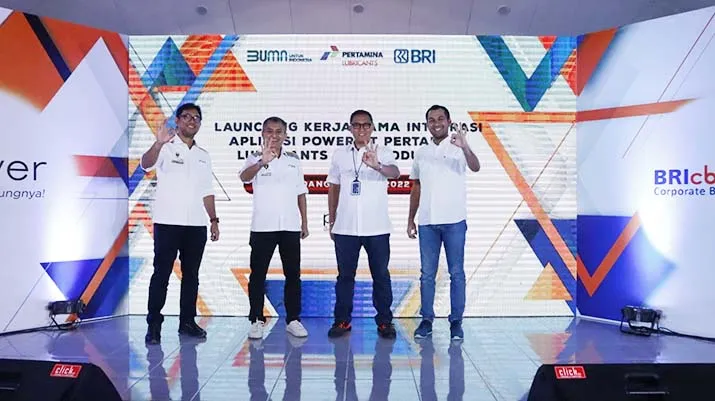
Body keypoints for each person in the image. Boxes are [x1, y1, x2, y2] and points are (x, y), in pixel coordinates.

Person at [140, 103, 219, 344]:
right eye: (187, 117)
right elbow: (145, 164)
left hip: (196, 225)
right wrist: (158, 144)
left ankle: (187, 322)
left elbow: (207, 191)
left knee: (191, 276)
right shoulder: (165, 147)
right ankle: (154, 325)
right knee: (161, 274)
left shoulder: (203, 156)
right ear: (178, 120)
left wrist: (214, 219)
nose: (192, 121)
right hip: (167, 223)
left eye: (196, 117)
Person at [408, 105, 480, 341]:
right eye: (431, 119)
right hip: (427, 223)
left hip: (454, 222)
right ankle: (426, 320)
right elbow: (416, 186)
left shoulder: (459, 146)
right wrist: (410, 219)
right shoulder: (421, 152)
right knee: (427, 274)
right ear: (427, 124)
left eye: (441, 118)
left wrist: (465, 146)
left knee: (456, 273)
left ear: (449, 121)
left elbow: (476, 167)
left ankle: (456, 322)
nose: (436, 123)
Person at [326, 109, 400, 339]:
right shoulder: (340, 154)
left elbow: (395, 173)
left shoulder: (383, 151)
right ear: (350, 128)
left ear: (372, 127)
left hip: (377, 227)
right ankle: (342, 320)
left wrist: (377, 166)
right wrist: (332, 219)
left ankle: (385, 321)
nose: (361, 129)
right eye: (356, 125)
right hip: (345, 227)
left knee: (381, 275)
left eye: (366, 125)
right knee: (345, 276)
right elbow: (333, 187)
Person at [239, 117, 309, 339]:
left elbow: (301, 192)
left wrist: (304, 222)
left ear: (285, 135)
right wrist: (262, 162)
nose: (274, 135)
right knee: (258, 275)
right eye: (269, 131)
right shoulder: (255, 158)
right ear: (262, 133)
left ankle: (293, 320)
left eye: (279, 131)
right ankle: (256, 319)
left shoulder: (293, 160)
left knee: (293, 275)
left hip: (289, 226)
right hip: (263, 227)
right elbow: (244, 178)